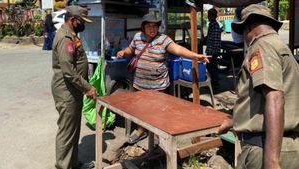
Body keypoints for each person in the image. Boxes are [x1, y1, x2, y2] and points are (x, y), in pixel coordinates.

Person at [217, 4, 299, 169]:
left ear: (248, 28)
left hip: (264, 148)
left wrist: (271, 161)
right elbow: (259, 101)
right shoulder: (282, 47)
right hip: (288, 146)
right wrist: (234, 120)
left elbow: (275, 97)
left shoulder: (261, 47)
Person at [117, 14, 210, 145]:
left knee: (156, 110)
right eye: (149, 26)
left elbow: (178, 49)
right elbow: (130, 49)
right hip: (140, 83)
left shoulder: (163, 39)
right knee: (141, 109)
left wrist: (195, 56)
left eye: (154, 26)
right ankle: (140, 130)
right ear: (143, 28)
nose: (152, 29)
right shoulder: (138, 37)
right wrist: (123, 52)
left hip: (158, 84)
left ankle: (155, 134)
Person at [51, 5, 97, 169]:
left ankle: (72, 163)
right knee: (67, 131)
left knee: (73, 130)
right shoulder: (65, 38)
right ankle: (64, 166)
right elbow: (68, 70)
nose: (84, 24)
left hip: (72, 90)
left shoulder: (71, 35)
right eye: (81, 21)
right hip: (67, 91)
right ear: (72, 20)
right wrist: (87, 87)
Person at [204, 8, 222, 87]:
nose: (208, 17)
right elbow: (210, 37)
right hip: (211, 50)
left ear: (213, 16)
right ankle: (213, 82)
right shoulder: (212, 25)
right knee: (210, 66)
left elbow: (215, 40)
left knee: (212, 67)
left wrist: (212, 52)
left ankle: (215, 83)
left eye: (209, 15)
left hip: (213, 51)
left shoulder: (215, 26)